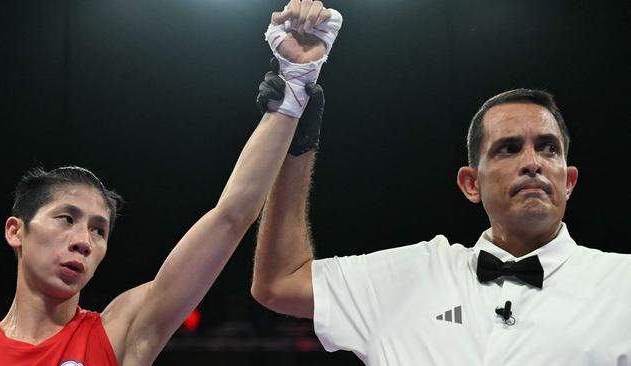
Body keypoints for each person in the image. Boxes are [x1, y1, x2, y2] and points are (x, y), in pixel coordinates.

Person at [0, 2, 342, 365]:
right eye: (66, 218)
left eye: (99, 231)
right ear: (16, 231)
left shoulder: (119, 332)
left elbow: (231, 216)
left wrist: (295, 80)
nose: (83, 242)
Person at [251, 84, 631, 363]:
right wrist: (296, 143)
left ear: (568, 181)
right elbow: (280, 282)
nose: (533, 162)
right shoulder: (410, 276)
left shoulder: (623, 283)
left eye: (549, 148)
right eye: (508, 148)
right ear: (471, 184)